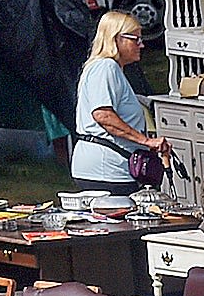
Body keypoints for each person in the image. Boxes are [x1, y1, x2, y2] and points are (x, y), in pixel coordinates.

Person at [71, 12, 168, 190]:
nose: (142, 45)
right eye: (135, 39)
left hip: (108, 166)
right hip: (106, 169)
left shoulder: (108, 69)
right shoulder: (106, 67)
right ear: (116, 39)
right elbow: (103, 115)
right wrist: (145, 141)